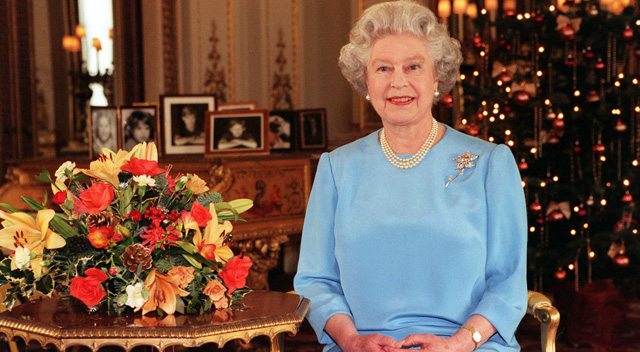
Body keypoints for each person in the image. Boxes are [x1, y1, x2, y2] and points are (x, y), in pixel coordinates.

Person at [293, 2, 528, 352]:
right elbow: (314, 280)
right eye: (383, 68)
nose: (398, 82)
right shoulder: (336, 169)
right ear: (366, 81)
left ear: (436, 77)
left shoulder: (490, 163)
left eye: (413, 66)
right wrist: (351, 340)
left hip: (468, 347)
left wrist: (459, 343)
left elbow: (508, 283)